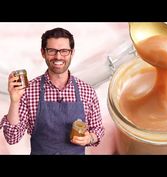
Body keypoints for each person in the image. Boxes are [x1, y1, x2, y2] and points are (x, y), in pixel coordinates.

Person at [0, 27, 104, 155]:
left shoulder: (87, 91)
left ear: (72, 53)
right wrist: (14, 101)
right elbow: (12, 137)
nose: (58, 56)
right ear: (43, 52)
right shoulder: (29, 91)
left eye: (64, 51)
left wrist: (89, 138)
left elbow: (97, 129)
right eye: (52, 51)